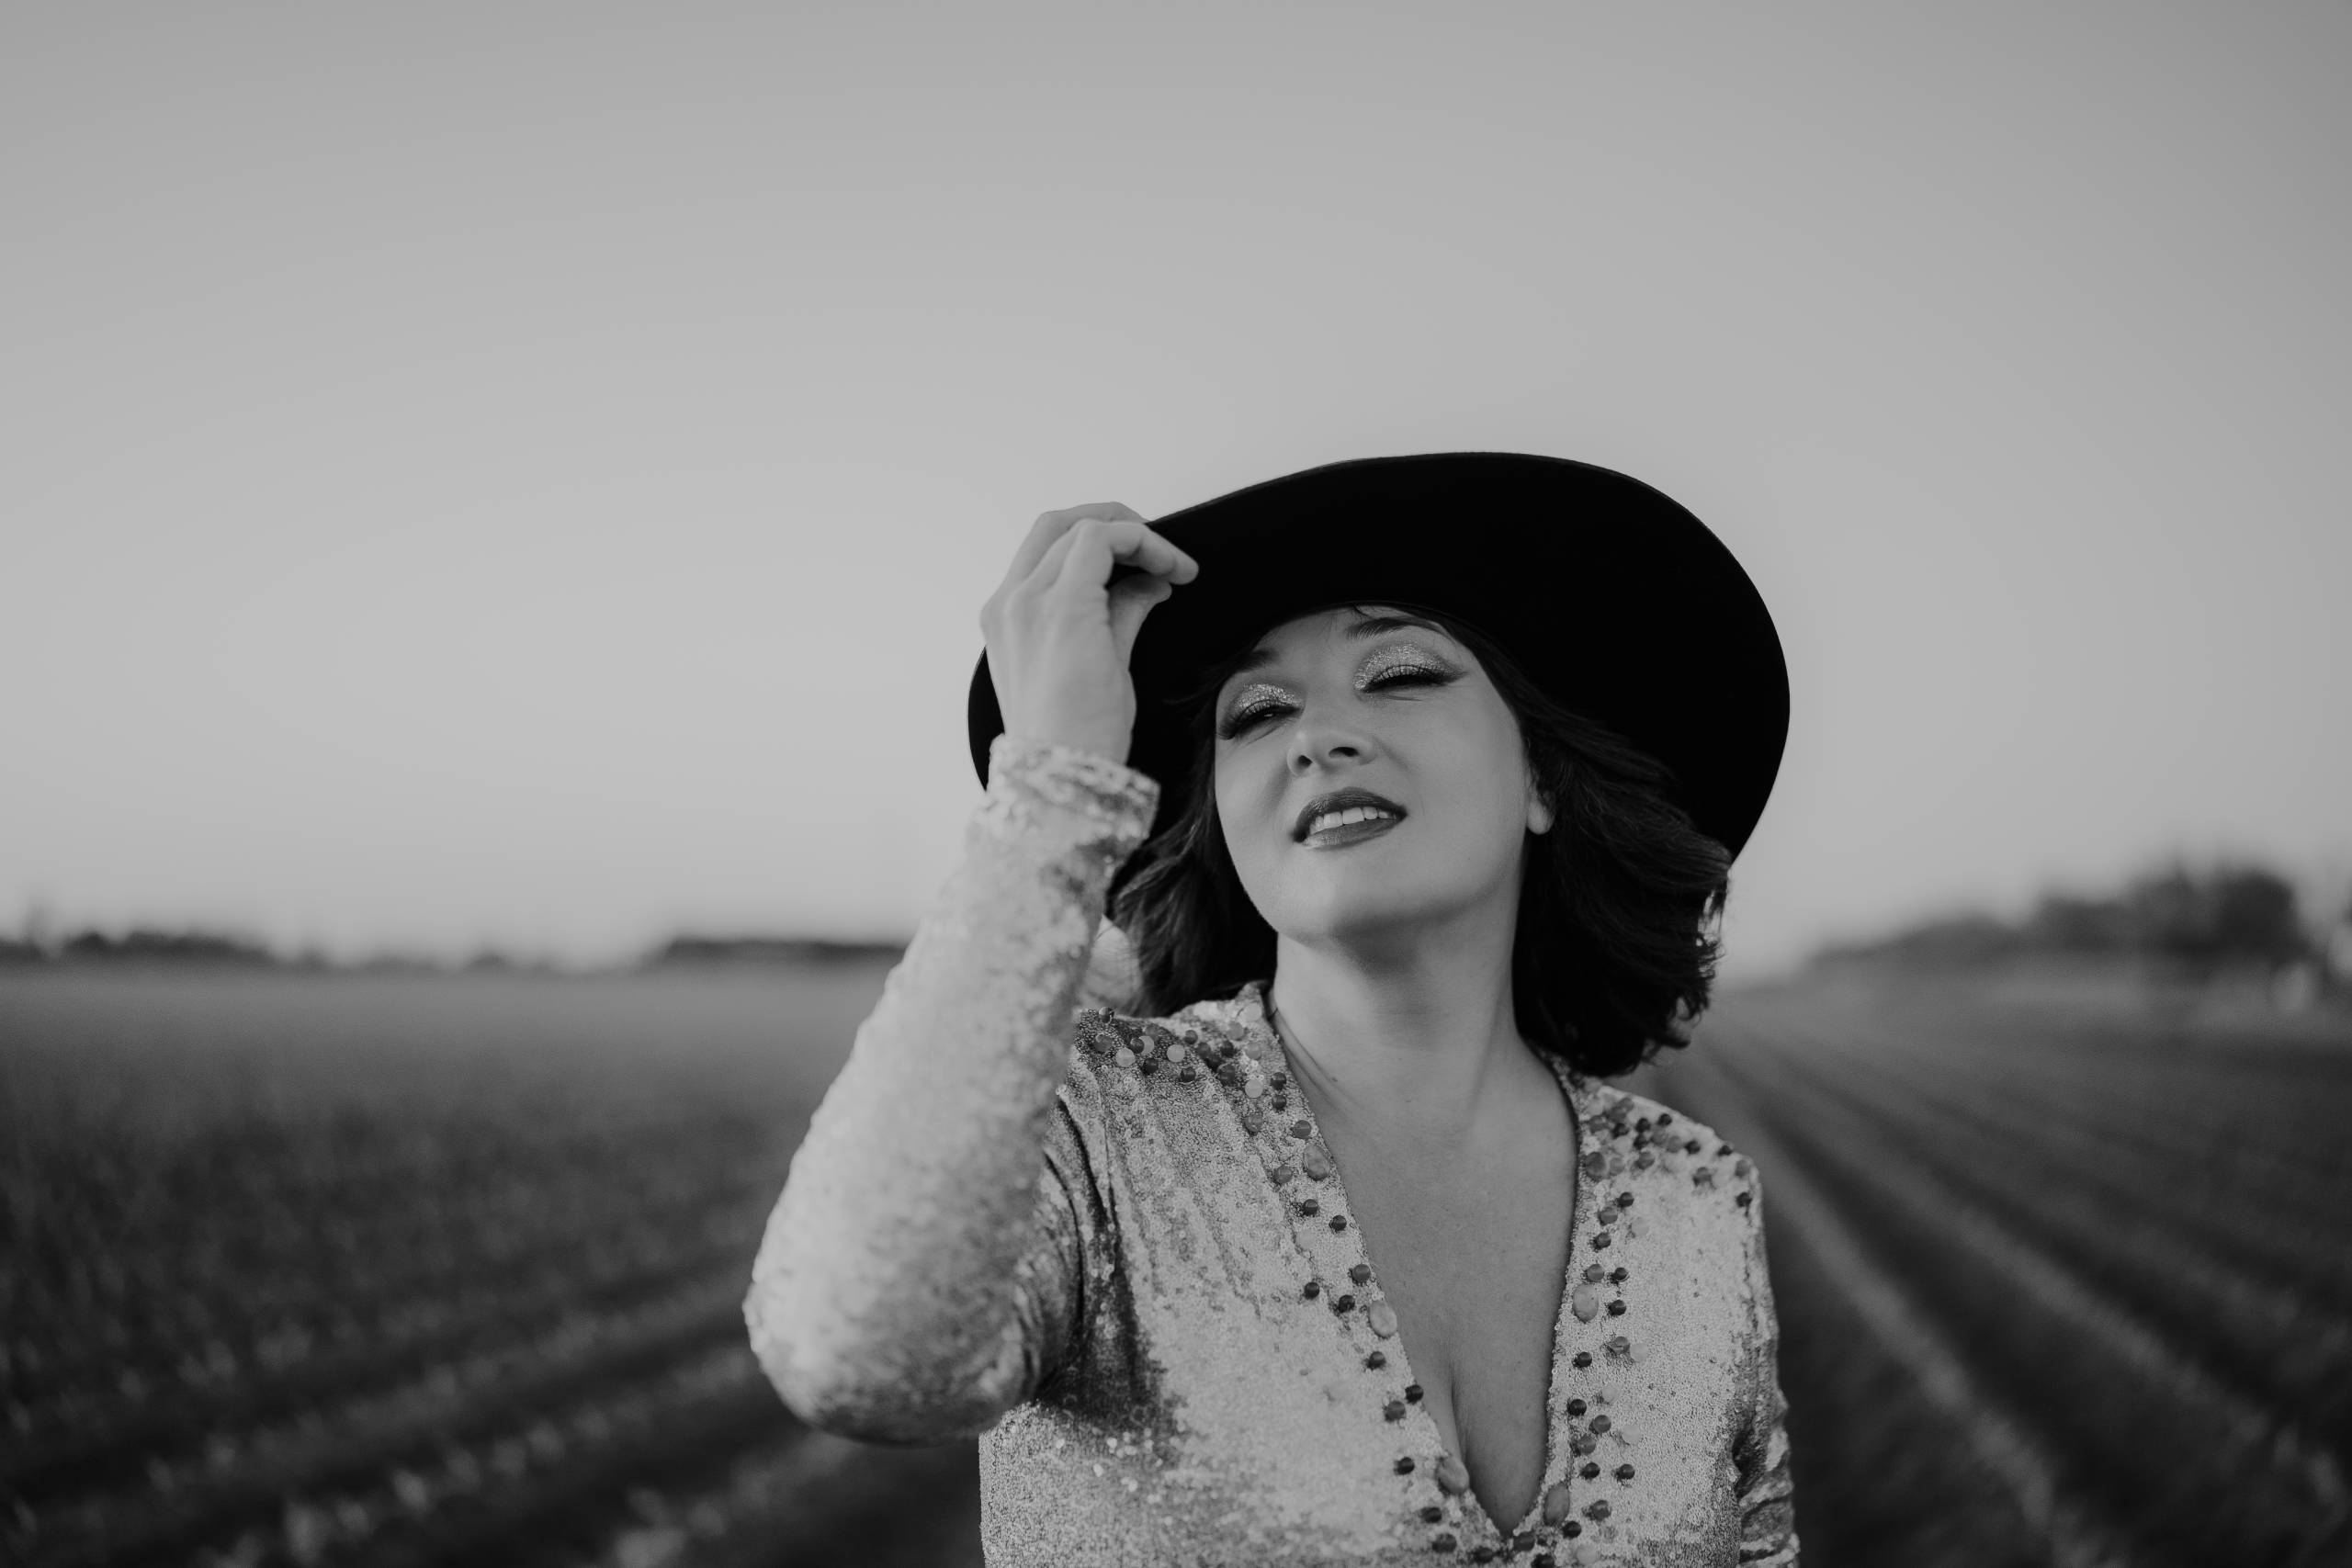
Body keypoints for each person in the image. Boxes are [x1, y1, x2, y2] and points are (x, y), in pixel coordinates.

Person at [744, 453, 1800, 1566]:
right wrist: (1051, 783)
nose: (1316, 735)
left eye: (1396, 675)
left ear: (1541, 779)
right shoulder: (1092, 1129)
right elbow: (853, 1350)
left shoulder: (1696, 1197)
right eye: (1256, 711)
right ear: (1217, 825)